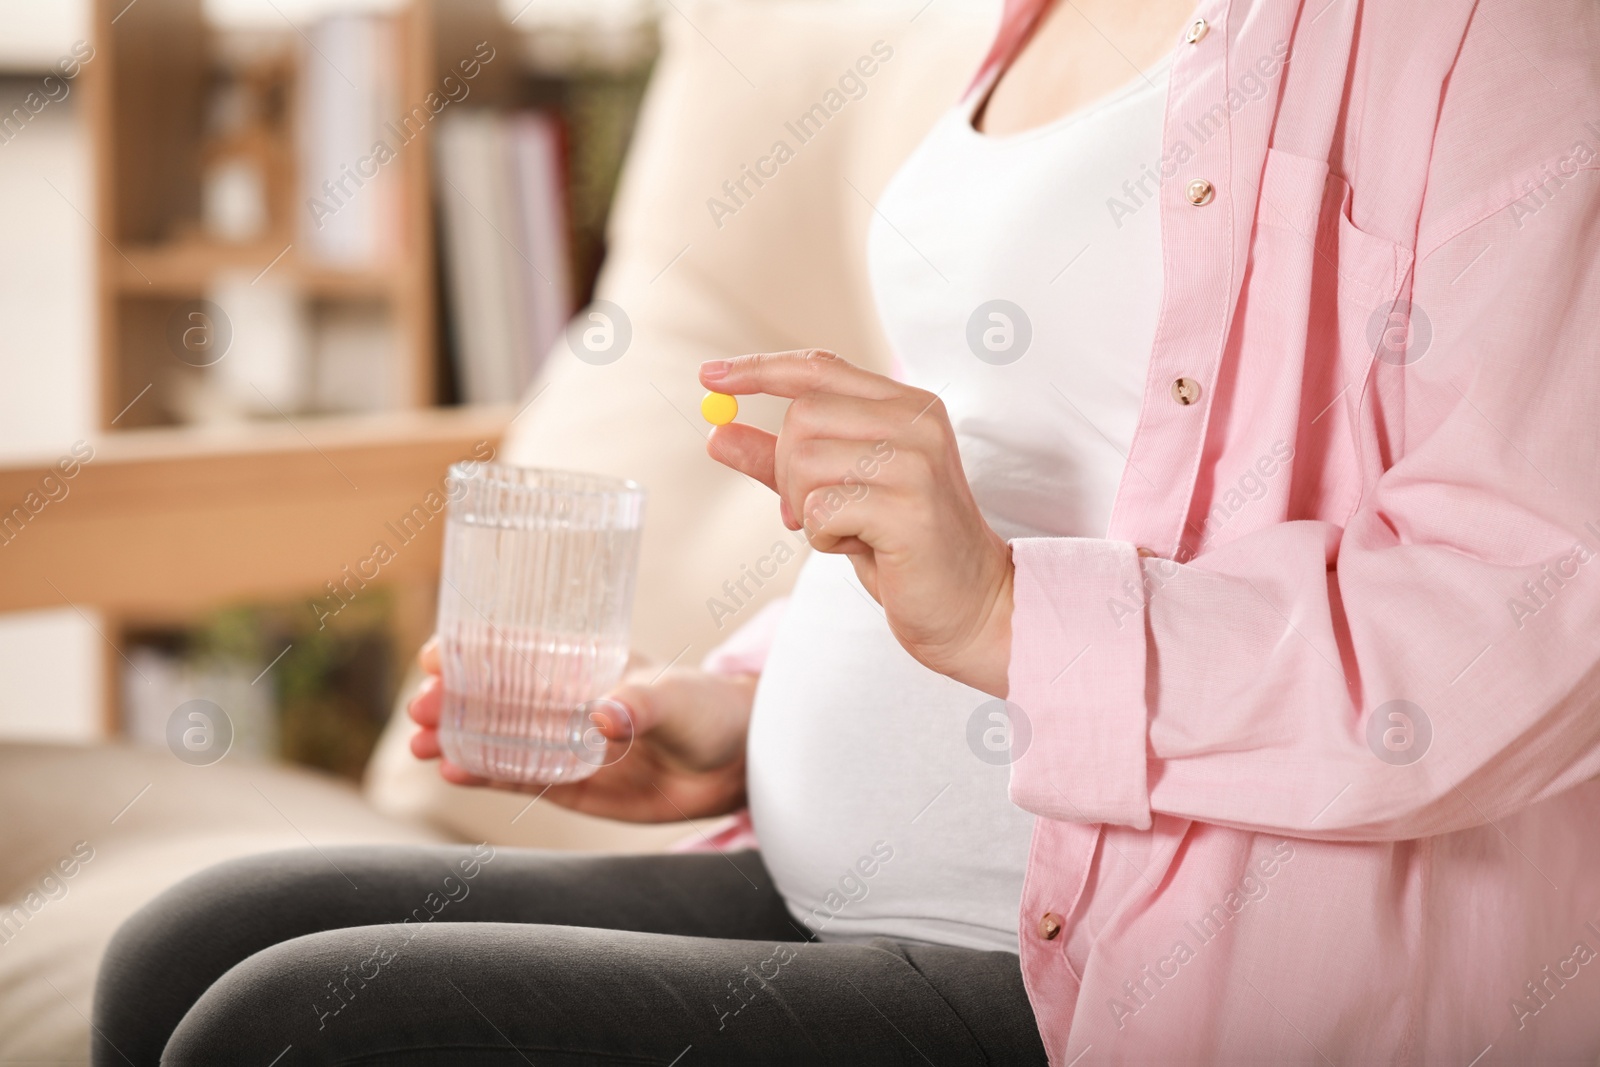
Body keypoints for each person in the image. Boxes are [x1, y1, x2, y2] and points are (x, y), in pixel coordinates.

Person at [95, 0, 1600, 1062]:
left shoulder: (1482, 35)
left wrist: (1017, 622)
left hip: (1114, 974)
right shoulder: (1018, 24)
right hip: (829, 873)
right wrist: (735, 713)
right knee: (190, 941)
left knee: (287, 1033)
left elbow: (1535, 615)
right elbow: (1026, 455)